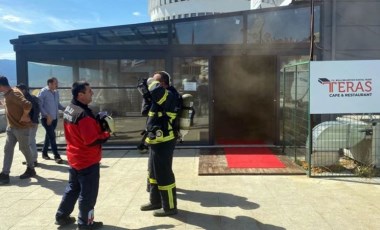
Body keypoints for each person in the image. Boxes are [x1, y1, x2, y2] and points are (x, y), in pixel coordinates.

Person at [55, 81, 110, 229]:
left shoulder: (70, 108)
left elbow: (80, 132)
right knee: (88, 194)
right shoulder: (83, 114)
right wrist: (107, 133)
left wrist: (96, 122)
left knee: (73, 188)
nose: (92, 93)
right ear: (80, 95)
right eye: (89, 91)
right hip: (87, 160)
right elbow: (91, 140)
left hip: (74, 157)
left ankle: (61, 215)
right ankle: (86, 223)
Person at [140, 71, 179, 217]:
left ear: (163, 84)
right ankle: (155, 201)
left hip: (164, 141)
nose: (151, 85)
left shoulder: (170, 95)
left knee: (164, 175)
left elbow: (158, 93)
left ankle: (170, 207)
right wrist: (145, 95)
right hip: (154, 141)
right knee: (153, 173)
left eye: (155, 82)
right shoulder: (157, 97)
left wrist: (151, 85)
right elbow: (144, 111)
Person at [0, 76, 36, 185]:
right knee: (8, 150)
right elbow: (13, 106)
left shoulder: (14, 94)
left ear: (1, 86)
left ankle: (31, 168)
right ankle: (5, 174)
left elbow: (28, 104)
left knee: (24, 149)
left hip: (21, 128)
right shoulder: (9, 93)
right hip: (11, 128)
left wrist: (25, 116)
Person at [38, 77, 66, 164]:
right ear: (49, 84)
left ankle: (44, 153)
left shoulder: (56, 92)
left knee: (49, 136)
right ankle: (56, 156)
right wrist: (46, 115)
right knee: (52, 136)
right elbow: (40, 105)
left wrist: (64, 108)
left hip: (55, 118)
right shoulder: (43, 92)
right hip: (46, 119)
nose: (56, 85)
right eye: (55, 83)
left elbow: (57, 104)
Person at [16, 83, 40, 167]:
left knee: (30, 142)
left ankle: (33, 160)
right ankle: (32, 159)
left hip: (31, 123)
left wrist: (32, 121)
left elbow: (36, 110)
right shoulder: (31, 98)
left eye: (18, 90)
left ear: (23, 90)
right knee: (31, 141)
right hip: (32, 122)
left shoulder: (28, 99)